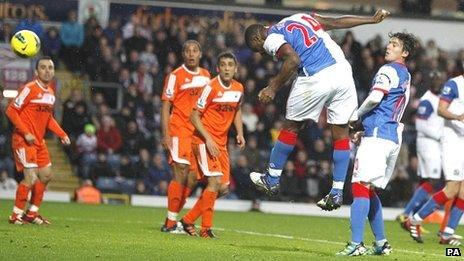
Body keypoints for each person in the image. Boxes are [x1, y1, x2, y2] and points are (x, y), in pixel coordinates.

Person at [245, 9, 390, 210]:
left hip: (315, 76)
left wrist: (272, 87)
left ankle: (272, 177)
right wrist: (370, 20)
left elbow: (293, 60)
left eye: (258, 49)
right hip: (342, 72)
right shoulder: (299, 17)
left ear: (256, 37)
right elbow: (335, 21)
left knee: (291, 127)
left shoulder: (271, 37)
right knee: (341, 132)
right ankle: (337, 192)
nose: (262, 53)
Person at [336, 32, 416, 256]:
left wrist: (355, 117)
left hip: (379, 134)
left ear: (405, 52)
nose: (389, 47)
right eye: (390, 43)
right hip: (390, 136)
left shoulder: (387, 70)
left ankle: (356, 244)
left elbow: (374, 99)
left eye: (395, 45)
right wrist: (367, 130)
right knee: (369, 190)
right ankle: (381, 243)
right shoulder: (405, 74)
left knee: (360, 186)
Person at [179, 52, 245, 238]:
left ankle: (188, 220)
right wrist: (208, 139)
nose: (226, 68)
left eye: (230, 65)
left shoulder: (239, 88)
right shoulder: (210, 88)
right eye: (222, 64)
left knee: (223, 188)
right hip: (203, 140)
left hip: (221, 143)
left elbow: (237, 110)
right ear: (217, 68)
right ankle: (206, 229)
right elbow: (194, 115)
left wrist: (240, 132)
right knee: (214, 182)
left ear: (235, 69)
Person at [5, 56, 71, 225]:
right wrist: (26, 132)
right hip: (23, 140)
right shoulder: (29, 88)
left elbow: (48, 119)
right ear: (36, 71)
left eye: (50, 67)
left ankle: (31, 213)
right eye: (43, 67)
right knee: (31, 178)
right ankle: (15, 216)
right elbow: (11, 111)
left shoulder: (50, 93)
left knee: (47, 175)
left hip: (38, 141)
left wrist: (62, 134)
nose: (47, 70)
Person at [406, 72, 464, 246]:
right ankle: (415, 220)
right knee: (452, 188)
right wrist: (458, 117)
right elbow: (441, 109)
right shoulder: (454, 84)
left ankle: (447, 233)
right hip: (452, 141)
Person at [160, 40, 210, 232]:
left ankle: (173, 218)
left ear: (200, 54)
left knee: (192, 179)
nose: (191, 54)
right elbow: (166, 105)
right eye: (187, 51)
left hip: (197, 133)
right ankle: (170, 222)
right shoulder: (175, 76)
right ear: (183, 55)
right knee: (180, 170)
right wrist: (166, 133)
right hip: (179, 129)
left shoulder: (206, 76)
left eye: (195, 50)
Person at [396, 71, 445, 226]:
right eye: (435, 80)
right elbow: (420, 123)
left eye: (440, 80)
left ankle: (409, 215)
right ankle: (408, 214)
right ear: (430, 83)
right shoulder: (427, 100)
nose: (438, 83)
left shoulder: (437, 99)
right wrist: (439, 135)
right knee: (433, 180)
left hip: (431, 143)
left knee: (426, 180)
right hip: (429, 144)